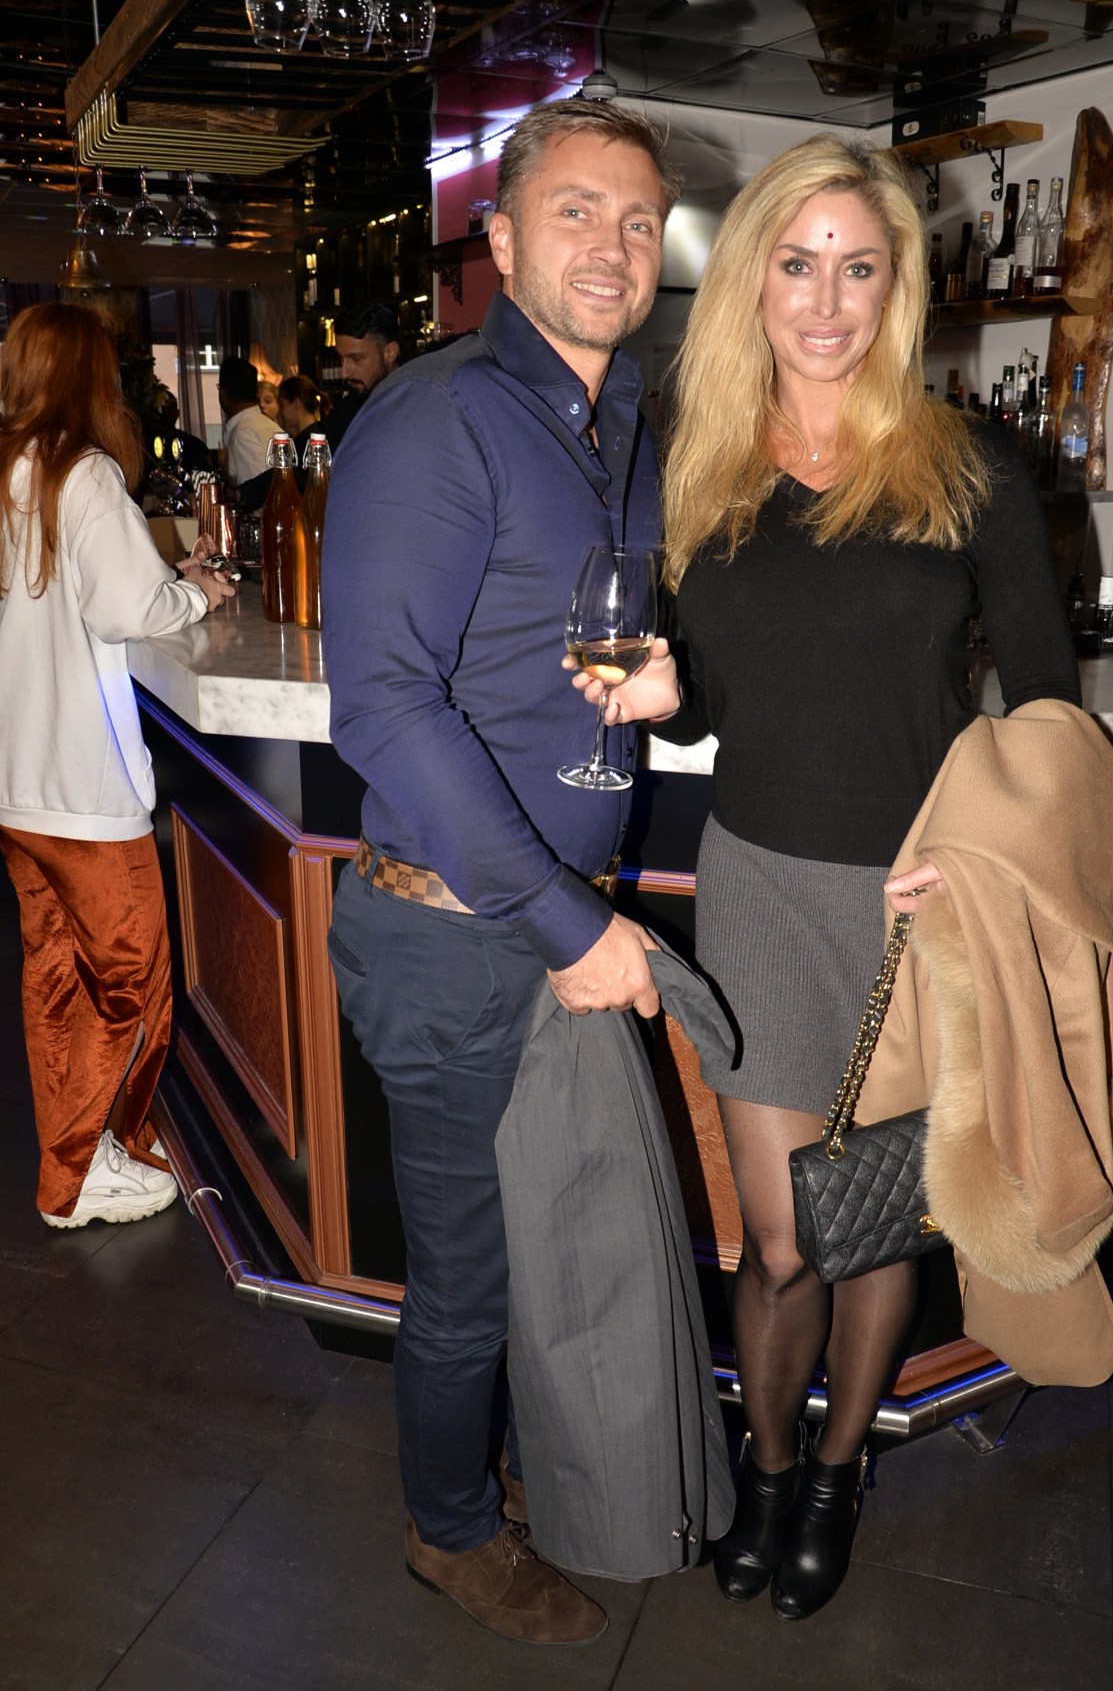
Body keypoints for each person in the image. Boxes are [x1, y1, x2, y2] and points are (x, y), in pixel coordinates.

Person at [571, 135, 1081, 1620]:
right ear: (752, 280)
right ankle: (772, 1459)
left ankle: (841, 1469)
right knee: (786, 1238)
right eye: (798, 265)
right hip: (758, 887)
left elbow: (1048, 709)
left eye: (860, 268)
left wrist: (974, 858)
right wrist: (663, 697)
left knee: (875, 1226)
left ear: (896, 288)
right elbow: (714, 701)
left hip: (921, 900)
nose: (828, 300)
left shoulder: (969, 468)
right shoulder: (695, 462)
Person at [321, 99, 682, 1646]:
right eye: (577, 211)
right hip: (459, 933)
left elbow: (569, 652)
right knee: (469, 1274)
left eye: (637, 220)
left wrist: (659, 683)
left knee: (539, 1253)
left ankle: (503, 1471)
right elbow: (381, 705)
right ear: (505, 237)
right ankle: (448, 1528)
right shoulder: (440, 417)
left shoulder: (622, 423)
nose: (613, 244)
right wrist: (563, 922)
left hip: (544, 925)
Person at [0, 302, 235, 1229]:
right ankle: (74, 1174)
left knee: (55, 976)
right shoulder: (85, 472)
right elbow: (131, 607)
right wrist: (197, 593)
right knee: (133, 980)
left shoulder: (11, 470)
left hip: (19, 781)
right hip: (84, 785)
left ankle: (86, 1149)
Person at [311, 302, 401, 453]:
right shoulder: (342, 414)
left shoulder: (417, 406)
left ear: (390, 352)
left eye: (356, 359)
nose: (345, 372)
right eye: (341, 358)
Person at [217, 356, 279, 486]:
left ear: (222, 393)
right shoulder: (269, 425)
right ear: (257, 391)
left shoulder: (243, 434)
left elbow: (257, 491)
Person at [276, 374, 324, 444]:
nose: (280, 411)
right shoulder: (321, 433)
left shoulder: (303, 442)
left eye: (282, 405)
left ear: (297, 404)